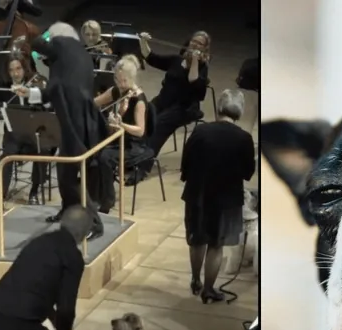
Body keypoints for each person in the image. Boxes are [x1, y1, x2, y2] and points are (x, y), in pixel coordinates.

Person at [25, 22, 107, 240]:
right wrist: (29, 93)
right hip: (80, 120)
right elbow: (55, 90)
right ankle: (68, 210)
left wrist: (30, 36)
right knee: (65, 172)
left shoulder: (63, 44)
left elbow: (39, 45)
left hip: (74, 123)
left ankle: (95, 223)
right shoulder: (74, 57)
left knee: (69, 176)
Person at [180, 89, 256, 303]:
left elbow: (185, 163)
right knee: (216, 245)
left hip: (197, 194)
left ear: (219, 108)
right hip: (226, 201)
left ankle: (195, 279)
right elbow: (247, 172)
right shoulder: (244, 138)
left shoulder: (200, 132)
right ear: (239, 113)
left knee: (197, 241)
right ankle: (208, 289)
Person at [0, 53, 52, 210]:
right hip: (14, 136)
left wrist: (42, 101)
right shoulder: (4, 85)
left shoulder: (37, 83)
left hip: (35, 135)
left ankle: (34, 191)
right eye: (11, 70)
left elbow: (50, 105)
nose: (15, 73)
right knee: (7, 155)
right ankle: (0, 196)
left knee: (42, 151)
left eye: (18, 69)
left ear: (24, 68)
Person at [137, 30, 210, 185]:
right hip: (164, 100)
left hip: (185, 108)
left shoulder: (202, 66)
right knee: (143, 115)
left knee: (159, 126)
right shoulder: (176, 60)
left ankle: (143, 167)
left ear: (204, 48)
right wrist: (143, 41)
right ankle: (134, 156)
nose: (195, 44)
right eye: (193, 41)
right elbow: (150, 58)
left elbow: (193, 81)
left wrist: (195, 61)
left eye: (199, 43)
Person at [92, 54, 154, 212]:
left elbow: (140, 131)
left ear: (132, 79)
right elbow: (93, 104)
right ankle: (95, 193)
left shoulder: (138, 100)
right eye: (117, 80)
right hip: (118, 139)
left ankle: (108, 200)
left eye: (124, 81)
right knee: (92, 148)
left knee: (105, 157)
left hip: (134, 144)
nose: (120, 84)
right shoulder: (116, 91)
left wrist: (122, 125)